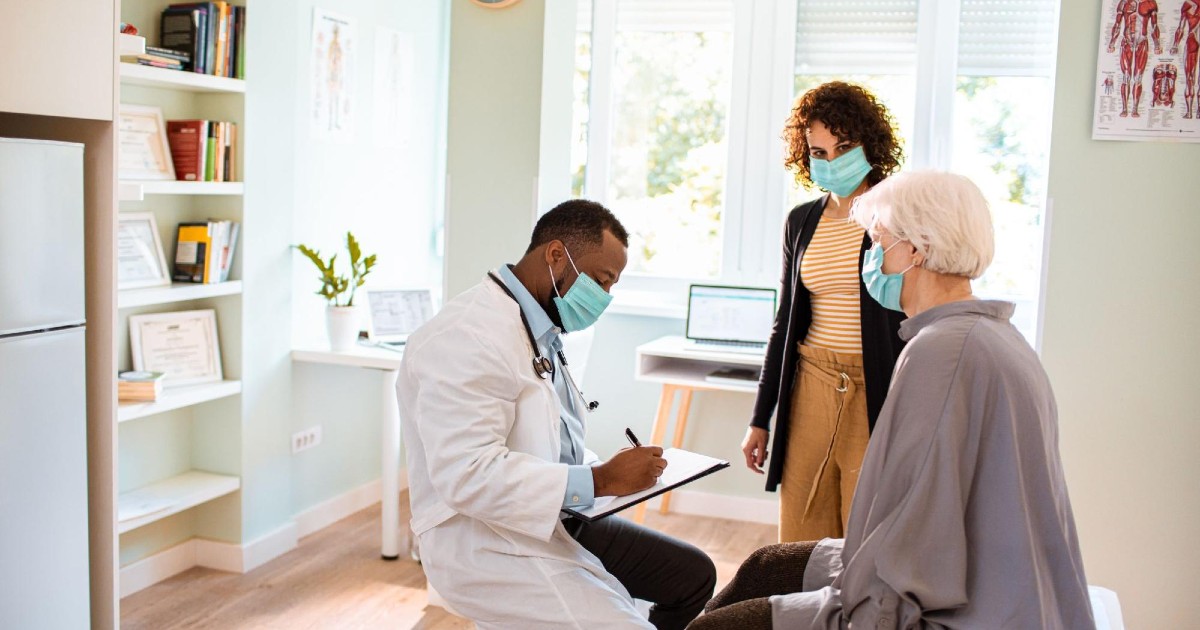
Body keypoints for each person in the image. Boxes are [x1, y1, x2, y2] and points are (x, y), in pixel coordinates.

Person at [691, 171, 1094, 629]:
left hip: (958, 601)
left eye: (878, 241)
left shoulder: (941, 353)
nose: (871, 256)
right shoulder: (994, 335)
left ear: (916, 249)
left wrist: (850, 609)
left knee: (719, 626)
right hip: (977, 570)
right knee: (765, 565)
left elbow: (912, 547)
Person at [398, 199, 717, 630]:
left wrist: (606, 474)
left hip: (558, 515)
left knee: (693, 576)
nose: (603, 298)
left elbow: (547, 437)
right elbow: (467, 475)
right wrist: (602, 480)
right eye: (601, 281)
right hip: (485, 539)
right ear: (555, 255)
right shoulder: (467, 336)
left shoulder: (540, 328)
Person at [741, 81, 906, 542]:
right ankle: (801, 613)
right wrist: (760, 418)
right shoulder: (801, 221)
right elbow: (784, 324)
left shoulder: (898, 214)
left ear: (870, 144)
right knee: (802, 527)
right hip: (811, 384)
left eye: (844, 147)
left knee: (866, 527)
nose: (832, 162)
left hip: (876, 387)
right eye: (819, 151)